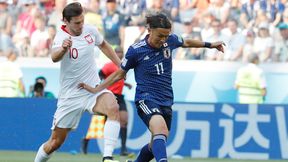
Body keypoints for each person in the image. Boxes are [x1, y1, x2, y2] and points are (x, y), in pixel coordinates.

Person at [78, 12, 225, 162]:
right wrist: (97, 89)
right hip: (146, 98)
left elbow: (186, 42)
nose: (163, 40)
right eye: (160, 35)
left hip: (166, 99)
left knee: (156, 143)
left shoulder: (170, 41)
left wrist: (210, 45)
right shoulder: (136, 50)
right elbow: (119, 74)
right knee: (160, 131)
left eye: (166, 36)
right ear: (149, 30)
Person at [34, 2, 121, 162]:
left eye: (82, 20)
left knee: (113, 107)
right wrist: (63, 49)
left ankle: (107, 157)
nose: (81, 25)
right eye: (77, 22)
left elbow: (104, 45)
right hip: (70, 96)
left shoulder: (90, 31)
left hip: (92, 89)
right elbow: (54, 57)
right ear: (65, 21)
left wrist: (119, 65)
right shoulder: (61, 37)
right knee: (55, 142)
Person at [81, 46, 133, 156]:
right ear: (114, 53)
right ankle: (85, 140)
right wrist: (99, 87)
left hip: (119, 97)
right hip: (108, 97)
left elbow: (118, 79)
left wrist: (126, 84)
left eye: (121, 52)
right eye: (118, 52)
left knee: (124, 120)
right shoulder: (109, 65)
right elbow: (100, 75)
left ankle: (123, 149)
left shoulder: (123, 66)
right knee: (99, 125)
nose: (120, 54)